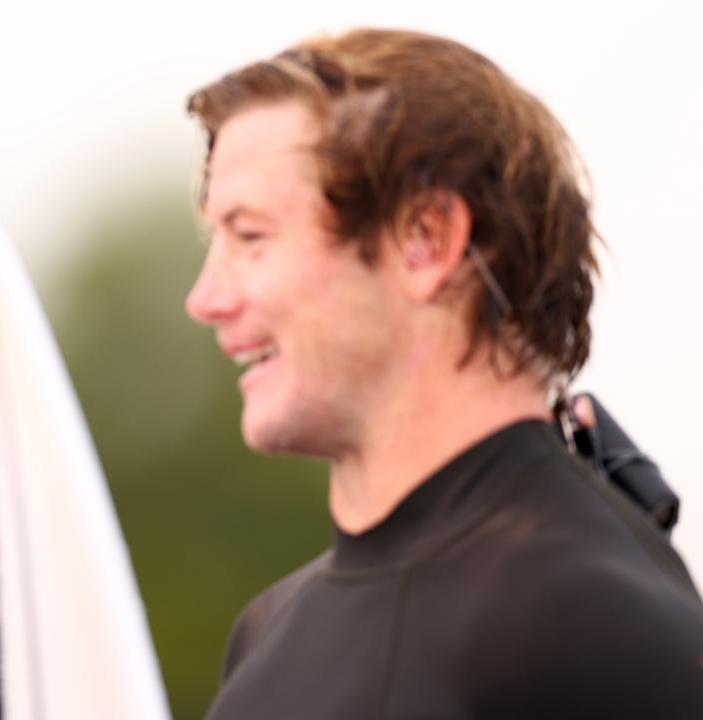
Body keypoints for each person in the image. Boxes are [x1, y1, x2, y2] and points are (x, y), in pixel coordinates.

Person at [184, 28, 703, 718]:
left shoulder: (594, 625)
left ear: (424, 241)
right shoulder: (264, 633)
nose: (205, 299)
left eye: (251, 238)